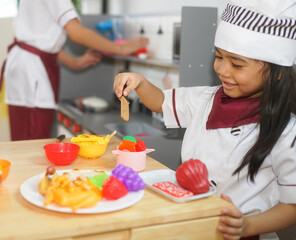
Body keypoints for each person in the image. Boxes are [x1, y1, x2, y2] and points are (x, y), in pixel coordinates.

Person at [114, 1, 296, 240]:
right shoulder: (206, 99)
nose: (222, 69)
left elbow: (291, 206)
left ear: (278, 72)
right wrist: (139, 81)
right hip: (192, 225)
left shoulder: (286, 132)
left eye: (237, 64)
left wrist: (247, 226)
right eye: (219, 56)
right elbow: (160, 101)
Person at [0, 0, 148, 141]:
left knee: (24, 137)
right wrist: (121, 48)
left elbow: (42, 43)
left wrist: (75, 63)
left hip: (25, 67)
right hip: (31, 72)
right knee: (31, 142)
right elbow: (76, 32)